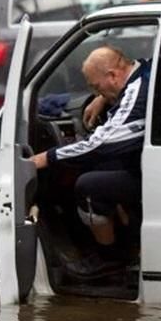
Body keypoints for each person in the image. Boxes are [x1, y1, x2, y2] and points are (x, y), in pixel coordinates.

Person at [31, 45, 150, 274]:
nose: (98, 92)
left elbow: (99, 145)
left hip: (153, 172)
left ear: (113, 76)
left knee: (88, 185)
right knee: (105, 168)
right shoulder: (145, 70)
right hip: (151, 164)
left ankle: (110, 258)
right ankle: (129, 240)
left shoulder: (136, 93)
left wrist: (46, 157)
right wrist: (101, 97)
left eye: (96, 86)